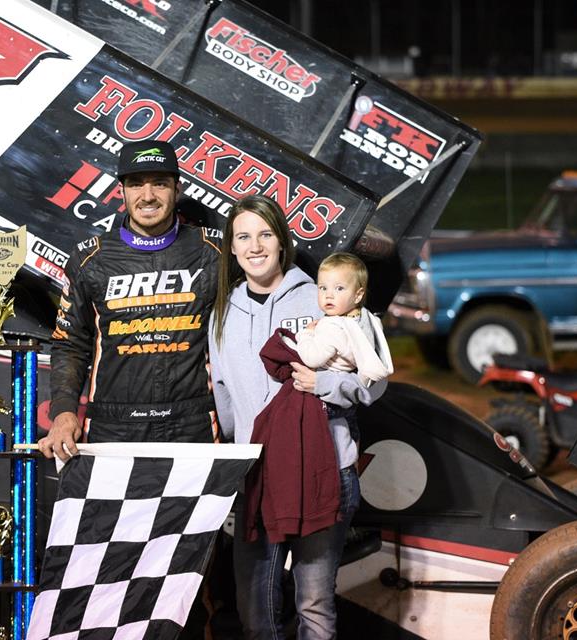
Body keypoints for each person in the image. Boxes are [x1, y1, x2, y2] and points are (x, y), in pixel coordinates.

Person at [208, 194, 387, 639]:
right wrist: (237, 455)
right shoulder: (224, 311)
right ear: (232, 247)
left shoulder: (324, 296)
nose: (255, 246)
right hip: (259, 472)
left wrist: (323, 385)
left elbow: (375, 381)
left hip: (322, 468)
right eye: (243, 236)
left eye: (265, 234)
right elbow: (224, 397)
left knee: (314, 602)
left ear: (282, 241)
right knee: (255, 609)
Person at [38, 139, 221, 459]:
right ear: (121, 190)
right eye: (136, 184)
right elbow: (69, 343)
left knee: (188, 512)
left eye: (160, 184)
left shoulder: (214, 252)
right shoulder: (89, 257)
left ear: (177, 189)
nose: (147, 196)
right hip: (113, 426)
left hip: (192, 424)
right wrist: (64, 412)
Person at [294, 251, 393, 389]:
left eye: (339, 288)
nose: (329, 295)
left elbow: (312, 359)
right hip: (353, 387)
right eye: (323, 288)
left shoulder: (332, 327)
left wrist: (306, 334)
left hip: (327, 392)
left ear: (358, 295)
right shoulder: (369, 319)